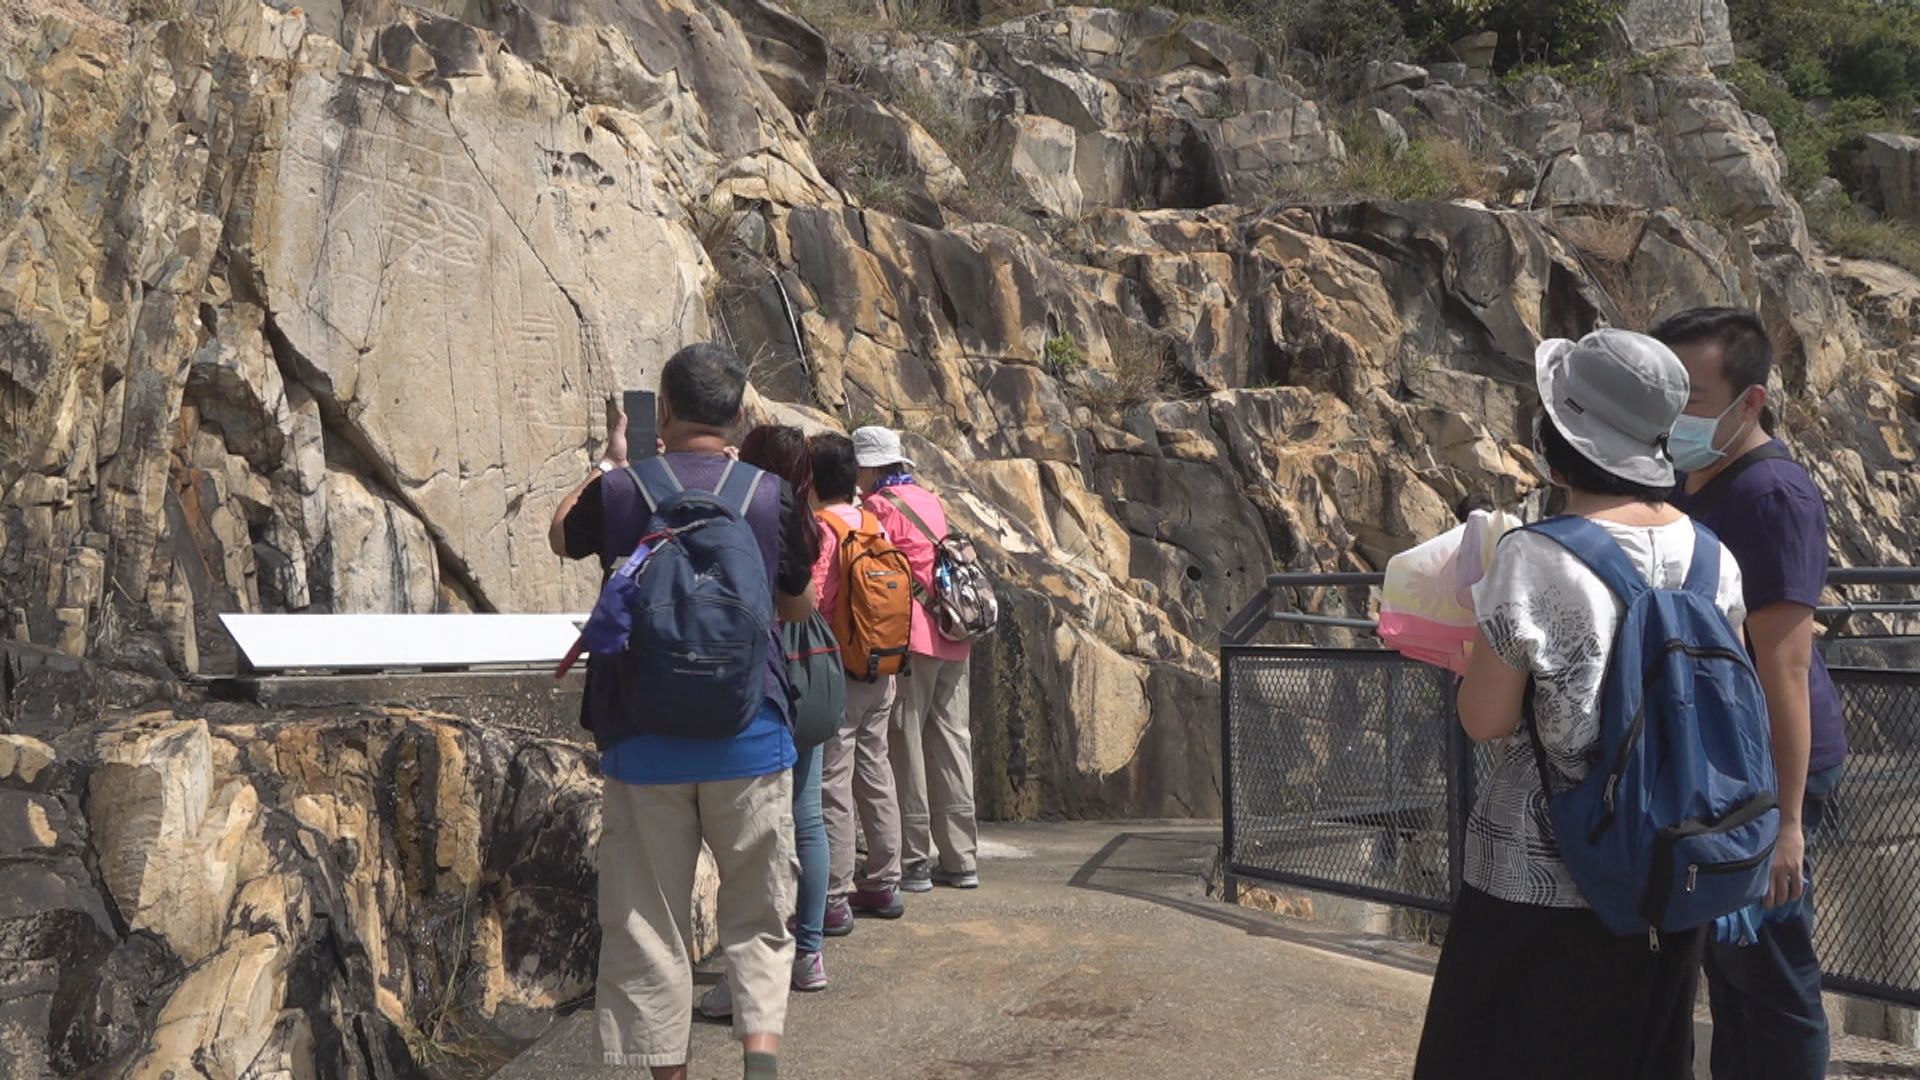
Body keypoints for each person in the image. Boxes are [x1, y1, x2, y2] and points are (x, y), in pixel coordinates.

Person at [1413, 330, 1748, 1079]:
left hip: (1538, 883)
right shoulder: (1712, 556)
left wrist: (1469, 652)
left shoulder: (1535, 555)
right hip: (1669, 872)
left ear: (1557, 438)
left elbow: (1487, 720)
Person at [548, 344, 813, 1080]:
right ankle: (760, 1060)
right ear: (737, 416)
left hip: (643, 738)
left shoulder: (625, 490)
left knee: (647, 926)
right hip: (750, 732)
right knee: (758, 911)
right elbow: (798, 607)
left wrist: (610, 463)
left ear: (662, 409)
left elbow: (559, 533)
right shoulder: (767, 494)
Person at [1657, 308, 1846, 1080]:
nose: (1676, 415)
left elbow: (1787, 669)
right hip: (1720, 765)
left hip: (1770, 771)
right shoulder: (1686, 475)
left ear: (1751, 401)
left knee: (1771, 977)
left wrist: (1788, 823)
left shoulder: (1772, 497)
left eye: (1693, 398)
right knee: (1730, 968)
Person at [700, 425, 830, 1022]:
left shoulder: (750, 509)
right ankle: (808, 953)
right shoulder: (809, 520)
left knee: (744, 843)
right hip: (815, 676)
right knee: (806, 818)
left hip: (762, 681)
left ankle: (742, 979)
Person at [854, 426, 980, 893]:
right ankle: (962, 858)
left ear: (869, 466)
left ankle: (914, 859)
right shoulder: (929, 499)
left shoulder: (877, 509)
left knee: (905, 744)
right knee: (952, 741)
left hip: (912, 639)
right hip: (954, 632)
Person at [813, 431, 908, 920]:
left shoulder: (823, 527)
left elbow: (815, 598)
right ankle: (885, 882)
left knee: (833, 777)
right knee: (876, 769)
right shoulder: (874, 523)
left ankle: (833, 895)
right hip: (883, 664)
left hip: (841, 667)